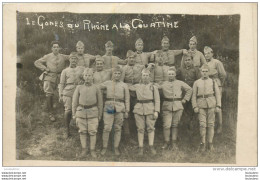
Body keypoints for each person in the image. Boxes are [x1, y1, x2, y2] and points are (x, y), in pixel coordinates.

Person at [34, 41, 69, 121]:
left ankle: (66, 111)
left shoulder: (63, 56)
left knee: (65, 92)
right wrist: (45, 68)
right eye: (54, 47)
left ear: (59, 48)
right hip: (49, 76)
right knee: (49, 93)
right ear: (52, 48)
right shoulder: (47, 56)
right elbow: (36, 62)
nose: (56, 48)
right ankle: (51, 113)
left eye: (57, 47)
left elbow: (72, 57)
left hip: (60, 76)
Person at [72, 68, 103, 158]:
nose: (87, 77)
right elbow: (74, 102)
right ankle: (84, 150)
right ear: (83, 76)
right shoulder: (79, 87)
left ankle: (92, 150)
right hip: (81, 113)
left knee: (93, 132)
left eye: (89, 75)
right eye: (86, 75)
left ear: (92, 76)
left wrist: (99, 114)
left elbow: (100, 103)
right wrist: (74, 114)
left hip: (93, 112)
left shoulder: (96, 88)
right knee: (82, 132)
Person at [99, 66, 130, 156]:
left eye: (118, 73)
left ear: (121, 75)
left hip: (120, 106)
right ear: (112, 74)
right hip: (109, 106)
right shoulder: (107, 83)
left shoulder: (124, 85)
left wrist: (127, 110)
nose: (117, 75)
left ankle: (116, 147)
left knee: (118, 127)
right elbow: (97, 86)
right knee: (107, 127)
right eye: (115, 73)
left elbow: (127, 99)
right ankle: (104, 147)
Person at [159, 67, 192, 150]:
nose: (171, 75)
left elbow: (190, 89)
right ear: (167, 75)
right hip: (167, 106)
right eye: (169, 74)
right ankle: (166, 142)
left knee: (175, 125)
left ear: (175, 75)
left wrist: (185, 99)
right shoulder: (163, 84)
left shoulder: (180, 83)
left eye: (172, 74)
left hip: (178, 106)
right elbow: (155, 88)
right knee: (166, 125)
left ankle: (174, 143)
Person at [129, 68, 160, 156]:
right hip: (139, 109)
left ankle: (151, 146)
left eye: (147, 75)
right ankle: (141, 147)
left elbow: (157, 100)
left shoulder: (153, 87)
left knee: (150, 128)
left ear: (149, 76)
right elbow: (128, 87)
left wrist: (156, 111)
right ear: (141, 76)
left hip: (150, 108)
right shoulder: (136, 86)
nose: (145, 77)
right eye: (143, 75)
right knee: (140, 128)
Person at [192, 64, 221, 152]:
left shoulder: (213, 82)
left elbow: (217, 94)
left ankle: (210, 143)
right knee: (202, 125)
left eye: (206, 71)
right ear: (201, 72)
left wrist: (218, 105)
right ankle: (203, 143)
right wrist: (195, 106)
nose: (204, 73)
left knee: (211, 124)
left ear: (208, 72)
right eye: (203, 71)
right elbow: (193, 96)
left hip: (211, 104)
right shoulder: (196, 82)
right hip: (201, 105)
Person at [120, 50, 146, 144]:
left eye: (133, 58)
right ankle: (127, 136)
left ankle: (141, 133)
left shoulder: (140, 67)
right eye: (129, 58)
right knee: (126, 113)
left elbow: (147, 69)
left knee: (139, 112)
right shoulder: (124, 69)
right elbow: (121, 81)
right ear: (127, 59)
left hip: (138, 92)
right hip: (127, 92)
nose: (131, 59)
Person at [59, 52, 85, 138]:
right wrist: (60, 95)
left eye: (75, 59)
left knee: (81, 109)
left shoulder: (81, 69)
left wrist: (83, 81)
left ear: (77, 60)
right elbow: (62, 84)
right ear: (69, 59)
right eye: (72, 58)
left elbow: (88, 76)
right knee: (68, 110)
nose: (73, 60)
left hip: (79, 90)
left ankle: (82, 129)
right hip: (68, 91)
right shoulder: (65, 71)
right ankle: (67, 130)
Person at [204, 46, 227, 134]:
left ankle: (220, 125)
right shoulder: (204, 63)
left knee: (217, 105)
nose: (207, 55)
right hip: (207, 85)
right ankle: (210, 125)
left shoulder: (217, 62)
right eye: (205, 53)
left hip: (216, 84)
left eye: (208, 53)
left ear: (212, 53)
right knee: (209, 104)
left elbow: (223, 75)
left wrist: (219, 84)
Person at [176, 53, 201, 132]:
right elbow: (174, 77)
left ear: (192, 61)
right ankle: (181, 127)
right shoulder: (180, 69)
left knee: (191, 109)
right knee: (183, 109)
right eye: (186, 60)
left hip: (193, 92)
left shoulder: (196, 69)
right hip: (183, 93)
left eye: (189, 60)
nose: (187, 62)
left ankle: (191, 126)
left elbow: (199, 81)